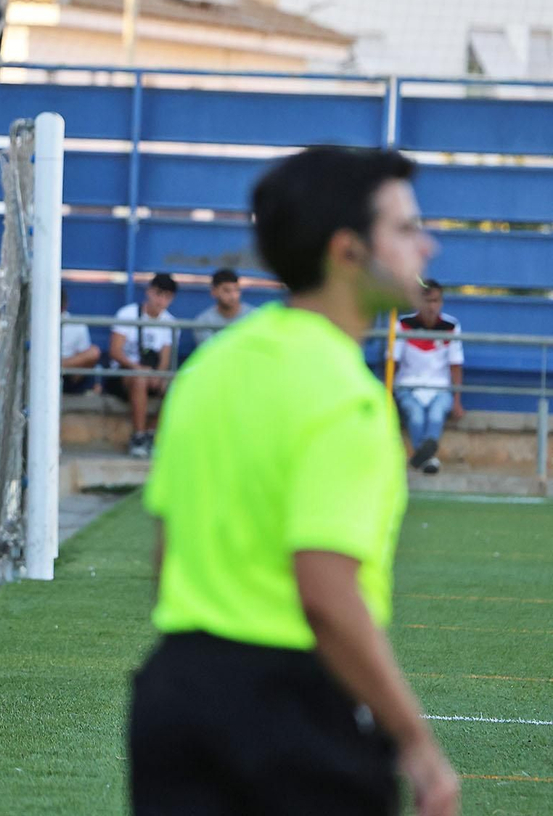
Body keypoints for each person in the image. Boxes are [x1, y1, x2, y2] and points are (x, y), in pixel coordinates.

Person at [130, 146, 459, 816]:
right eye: (404, 228)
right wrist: (416, 741)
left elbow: (167, 556)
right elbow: (327, 594)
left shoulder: (209, 369)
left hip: (174, 698)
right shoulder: (347, 397)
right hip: (295, 712)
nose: (427, 245)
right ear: (346, 250)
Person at [391, 280, 464, 475]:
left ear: (441, 302)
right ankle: (427, 458)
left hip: (440, 388)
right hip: (408, 386)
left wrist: (457, 401)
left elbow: (456, 364)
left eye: (436, 301)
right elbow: (392, 362)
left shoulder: (451, 326)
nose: (432, 306)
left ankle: (421, 457)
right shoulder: (403, 325)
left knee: (436, 414)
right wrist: (388, 394)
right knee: (415, 416)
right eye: (427, 301)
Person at [109, 274, 178, 458]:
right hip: (123, 374)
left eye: (167, 296)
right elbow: (115, 351)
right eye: (158, 294)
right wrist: (137, 368)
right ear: (149, 292)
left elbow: (165, 359)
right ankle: (138, 437)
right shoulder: (127, 314)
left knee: (177, 386)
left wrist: (158, 375)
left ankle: (152, 433)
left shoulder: (170, 322)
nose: (161, 300)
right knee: (140, 379)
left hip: (151, 375)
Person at [192, 268, 257, 346]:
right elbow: (210, 349)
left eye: (236, 290)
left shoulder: (255, 316)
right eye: (227, 291)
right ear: (214, 292)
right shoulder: (203, 321)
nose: (233, 296)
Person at [60, 289, 101, 394]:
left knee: (93, 352)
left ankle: (56, 366)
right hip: (41, 366)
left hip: (68, 373)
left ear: (65, 304)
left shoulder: (77, 324)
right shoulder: (35, 321)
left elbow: (85, 356)